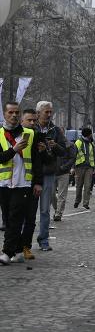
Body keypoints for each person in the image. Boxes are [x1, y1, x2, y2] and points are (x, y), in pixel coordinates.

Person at [0, 102, 43, 265]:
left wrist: (38, 182)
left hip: (23, 183)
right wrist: (14, 150)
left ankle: (6, 252)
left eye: (17, 112)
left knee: (16, 217)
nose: (14, 115)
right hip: (3, 184)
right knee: (8, 219)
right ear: (5, 114)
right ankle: (17, 250)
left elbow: (37, 160)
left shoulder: (30, 134)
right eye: (10, 112)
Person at [34, 101, 66, 251]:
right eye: (46, 112)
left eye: (50, 112)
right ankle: (23, 240)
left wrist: (55, 146)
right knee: (27, 209)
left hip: (47, 172)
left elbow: (64, 150)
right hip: (31, 172)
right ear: (38, 112)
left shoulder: (56, 130)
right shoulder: (31, 127)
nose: (49, 114)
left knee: (45, 209)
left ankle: (44, 239)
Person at [18, 109, 42, 259]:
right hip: (12, 184)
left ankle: (26, 246)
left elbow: (39, 162)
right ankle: (12, 246)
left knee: (30, 218)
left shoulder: (37, 136)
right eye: (29, 120)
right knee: (13, 219)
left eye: (34, 120)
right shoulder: (9, 135)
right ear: (22, 121)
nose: (32, 123)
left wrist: (38, 182)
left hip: (30, 182)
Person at [54, 128, 76, 222]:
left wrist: (65, 167)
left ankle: (58, 213)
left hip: (63, 172)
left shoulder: (70, 144)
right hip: (52, 172)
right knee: (51, 194)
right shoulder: (52, 143)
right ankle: (56, 209)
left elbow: (72, 158)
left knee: (62, 195)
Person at [73, 127, 95, 210]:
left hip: (89, 167)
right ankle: (77, 200)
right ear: (88, 134)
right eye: (90, 134)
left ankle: (86, 203)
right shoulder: (78, 142)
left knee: (87, 186)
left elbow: (94, 156)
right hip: (79, 167)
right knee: (79, 186)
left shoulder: (92, 143)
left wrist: (94, 167)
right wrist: (73, 167)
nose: (91, 135)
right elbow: (73, 155)